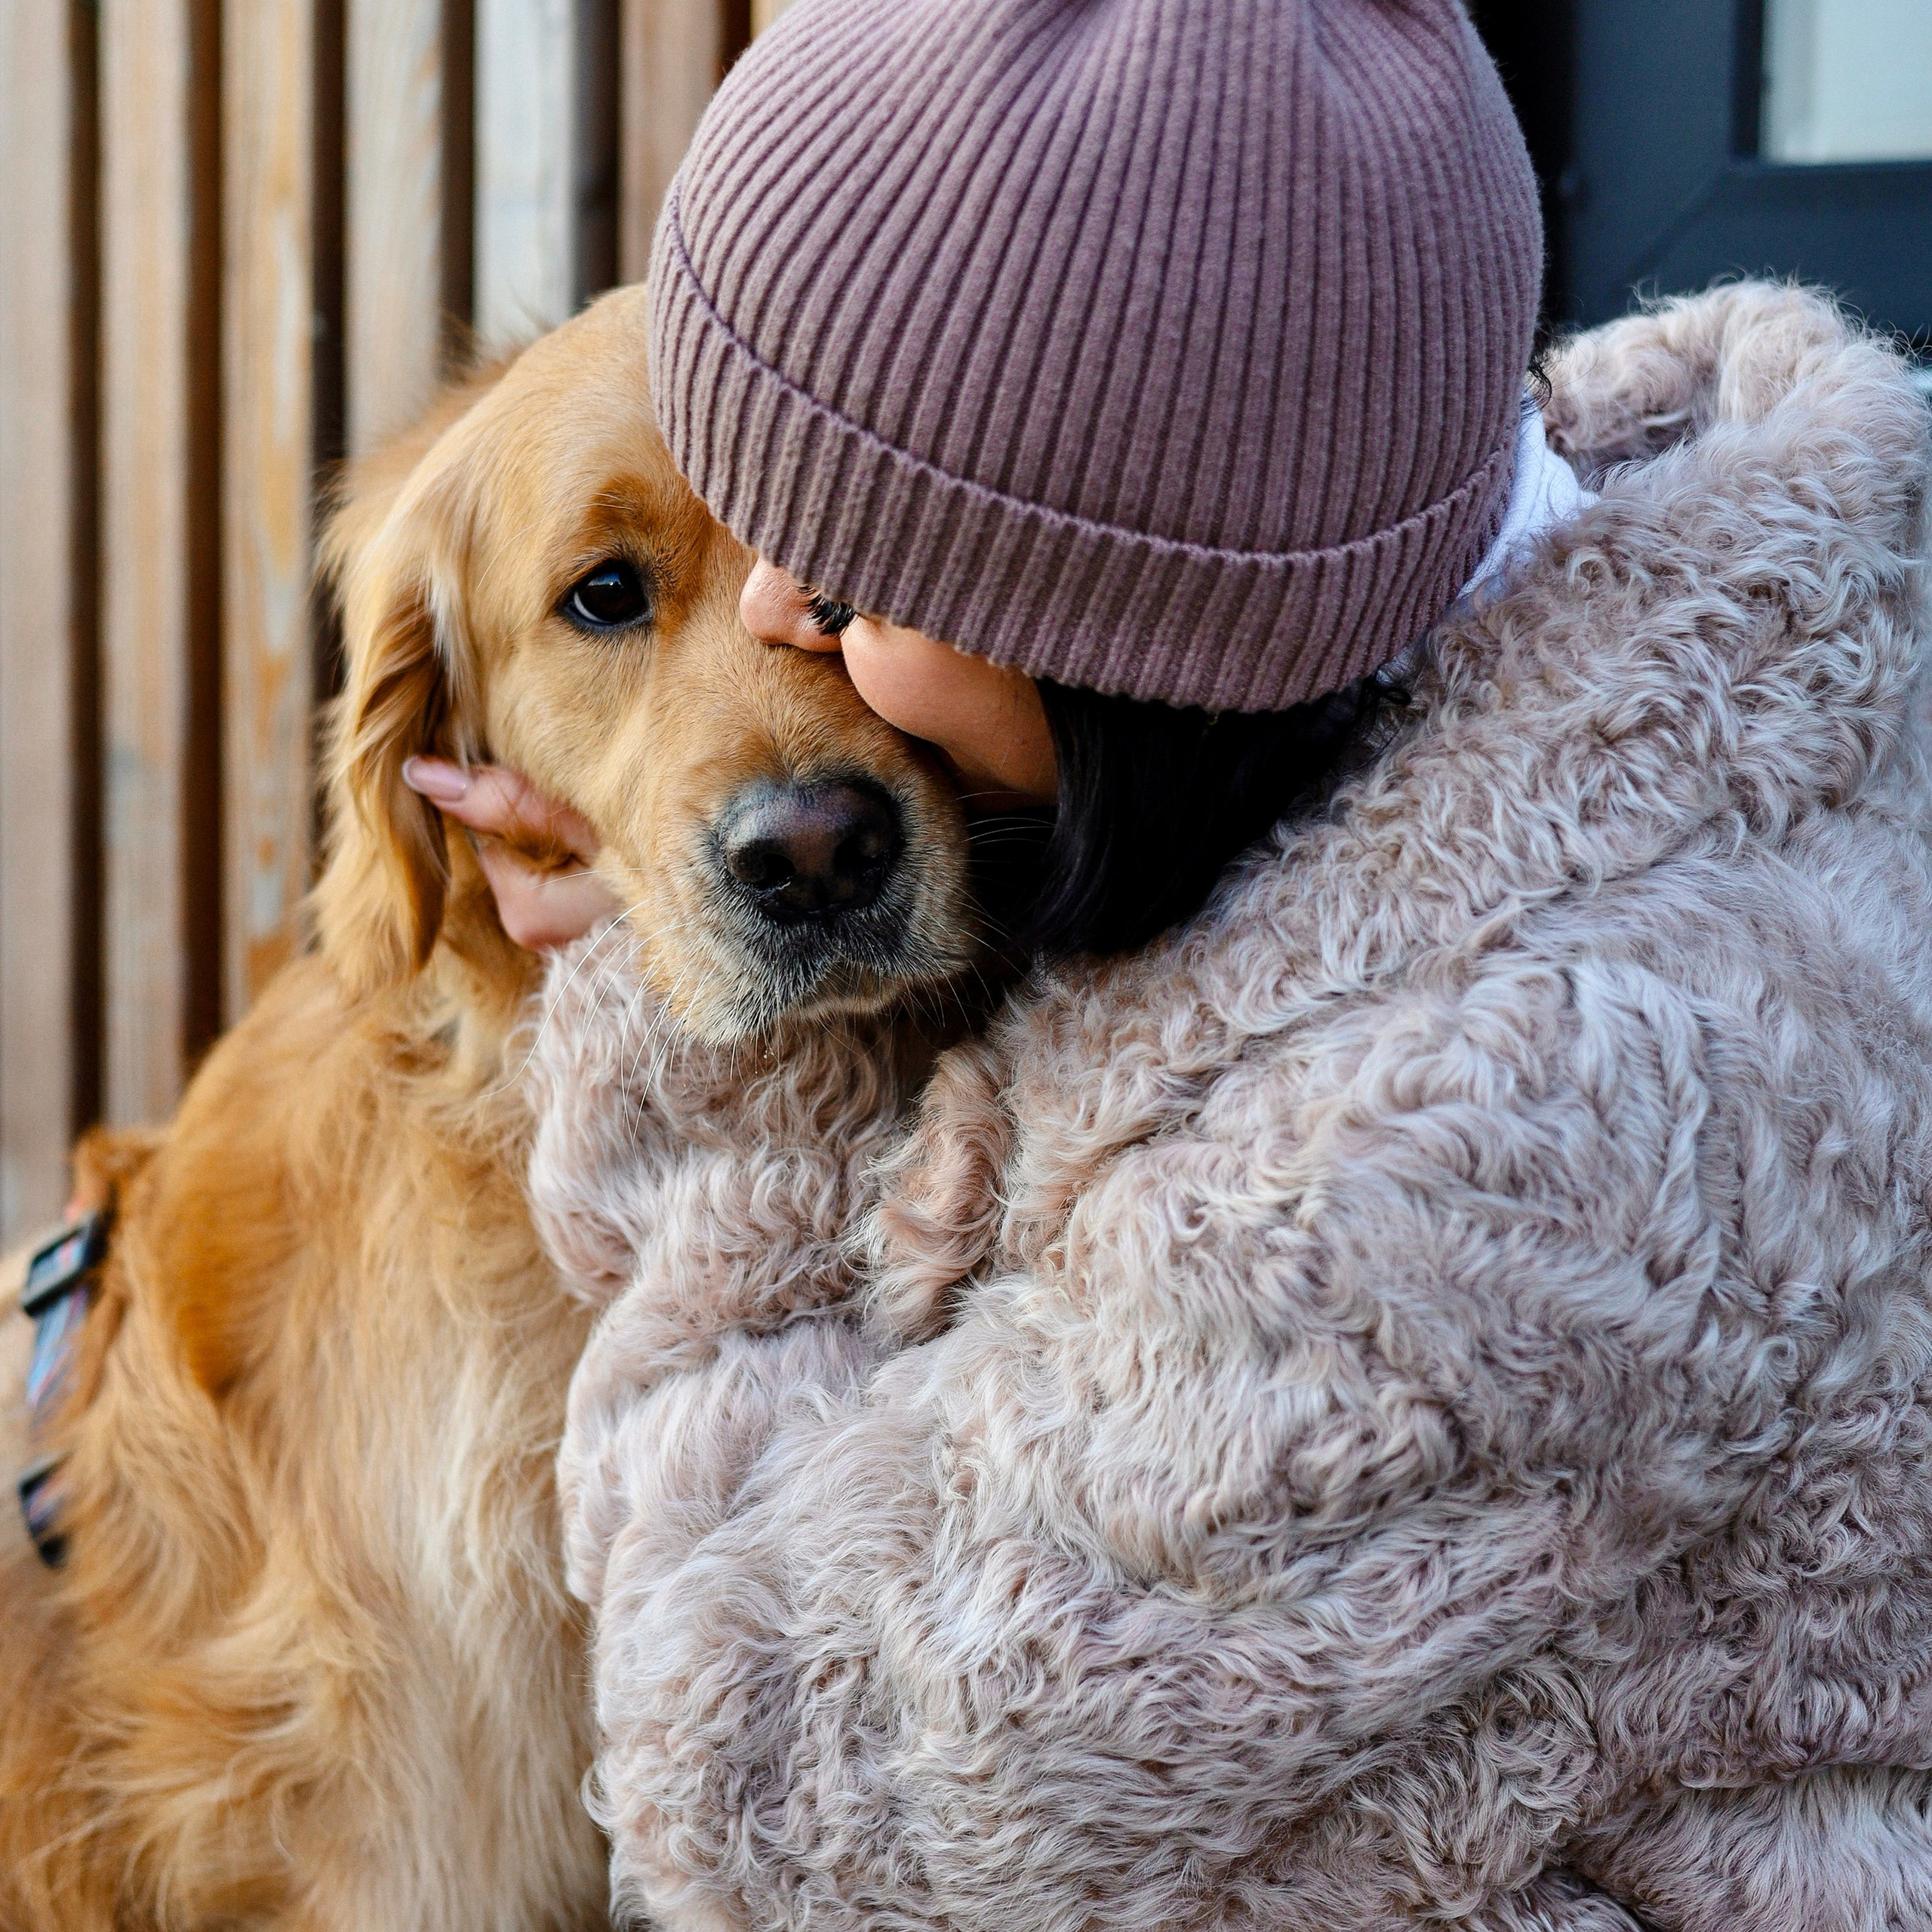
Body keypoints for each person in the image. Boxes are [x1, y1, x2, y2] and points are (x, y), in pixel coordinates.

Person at [408, 2, 1932, 1926]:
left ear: (1125, 621)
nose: (776, 616)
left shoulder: (1463, 1162)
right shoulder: (1602, 671)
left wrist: (702, 1045)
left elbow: (780, 1803)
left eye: (852, 562)